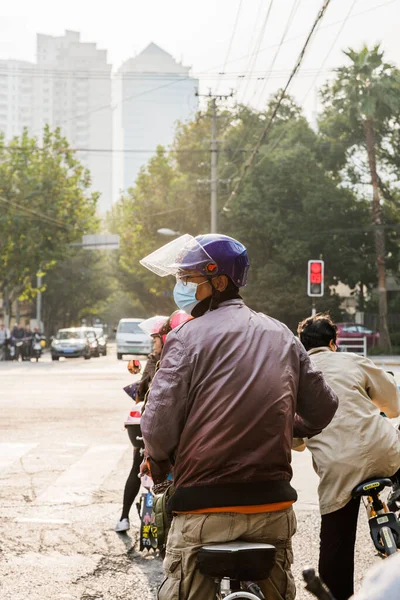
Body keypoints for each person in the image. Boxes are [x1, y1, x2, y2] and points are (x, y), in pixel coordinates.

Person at [139, 233, 339, 600]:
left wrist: (161, 463)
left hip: (202, 509)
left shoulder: (185, 338)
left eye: (189, 280)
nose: (182, 288)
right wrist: (289, 428)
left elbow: (156, 427)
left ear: (218, 281)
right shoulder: (281, 334)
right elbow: (323, 408)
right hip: (273, 508)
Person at [296, 313, 400, 600]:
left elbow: (296, 442)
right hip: (386, 453)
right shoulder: (352, 360)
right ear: (333, 343)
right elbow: (393, 405)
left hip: (339, 470)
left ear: (302, 346)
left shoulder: (297, 375)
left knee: (336, 547)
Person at [115, 315, 168, 534]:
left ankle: (123, 517)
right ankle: (126, 516)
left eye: (156, 340)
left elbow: (142, 391)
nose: (153, 344)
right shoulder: (175, 359)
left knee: (137, 467)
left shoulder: (156, 360)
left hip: (147, 425)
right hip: (161, 426)